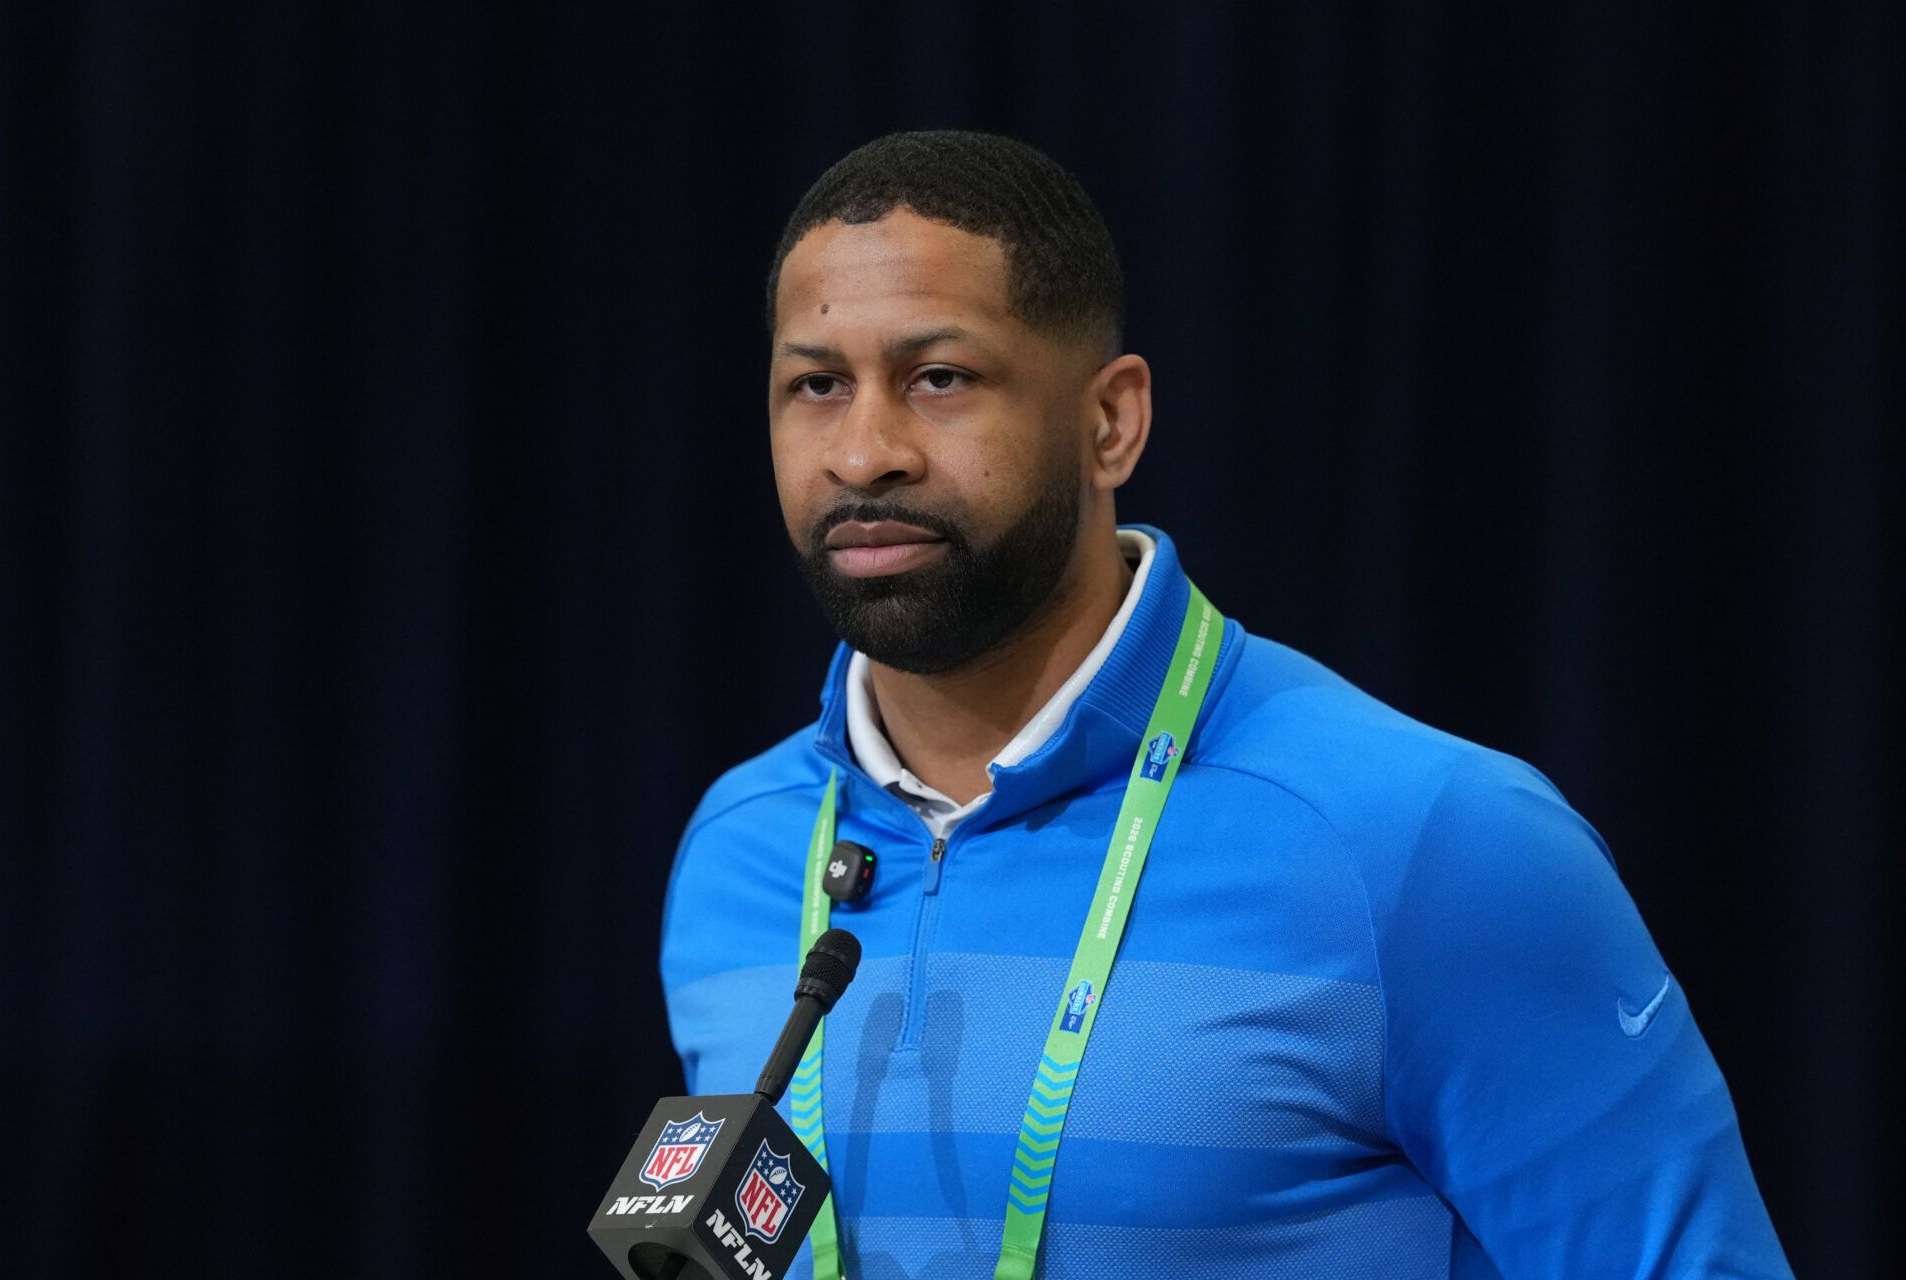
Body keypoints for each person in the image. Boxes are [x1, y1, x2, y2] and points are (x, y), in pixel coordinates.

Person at [658, 130, 1791, 1279]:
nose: (865, 451)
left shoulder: (1428, 840)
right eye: (817, 384)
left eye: (939, 377)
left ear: (1112, 422)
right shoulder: (738, 850)